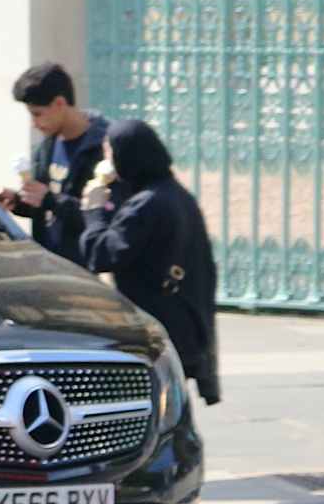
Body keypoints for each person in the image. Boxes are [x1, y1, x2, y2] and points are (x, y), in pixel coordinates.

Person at [82, 120, 221, 404]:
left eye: (110, 153)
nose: (107, 161)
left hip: (158, 324)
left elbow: (101, 255)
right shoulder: (173, 194)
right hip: (182, 321)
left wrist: (93, 211)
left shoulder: (147, 204)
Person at [0, 62, 108, 264]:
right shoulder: (49, 143)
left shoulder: (103, 148)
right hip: (50, 265)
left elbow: (104, 216)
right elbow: (46, 208)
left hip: (84, 271)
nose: (34, 123)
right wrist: (18, 201)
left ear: (59, 104)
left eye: (37, 114)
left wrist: (50, 200)